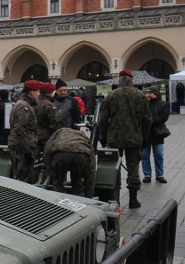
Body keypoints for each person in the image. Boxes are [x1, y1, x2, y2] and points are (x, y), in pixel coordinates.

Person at [98, 70, 151, 208]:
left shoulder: (112, 95)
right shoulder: (140, 96)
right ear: (132, 80)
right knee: (133, 168)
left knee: (114, 169)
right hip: (134, 138)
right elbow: (147, 120)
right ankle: (133, 200)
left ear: (119, 80)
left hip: (114, 138)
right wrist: (144, 138)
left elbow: (103, 119)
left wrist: (102, 138)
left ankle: (116, 200)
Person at [44, 128, 97, 197]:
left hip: (61, 154)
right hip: (81, 155)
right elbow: (91, 168)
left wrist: (50, 172)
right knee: (77, 184)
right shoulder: (83, 137)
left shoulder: (58, 132)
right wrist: (89, 195)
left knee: (58, 185)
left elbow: (47, 151)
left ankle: (58, 200)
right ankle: (80, 200)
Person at [8, 80, 41, 183]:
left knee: (24, 178)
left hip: (22, 147)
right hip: (22, 149)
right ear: (31, 92)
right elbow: (20, 128)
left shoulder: (24, 104)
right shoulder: (24, 106)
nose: (38, 94)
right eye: (37, 92)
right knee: (23, 180)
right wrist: (27, 149)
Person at [141, 86, 170, 183]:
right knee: (145, 155)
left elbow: (163, 117)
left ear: (155, 93)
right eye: (146, 93)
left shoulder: (163, 104)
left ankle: (160, 175)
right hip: (145, 134)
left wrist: (150, 121)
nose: (147, 94)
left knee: (159, 154)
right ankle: (147, 175)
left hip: (157, 133)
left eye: (150, 93)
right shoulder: (143, 103)